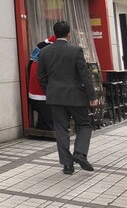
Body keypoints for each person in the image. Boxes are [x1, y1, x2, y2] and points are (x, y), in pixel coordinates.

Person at [38, 21, 98, 175]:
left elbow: (41, 76)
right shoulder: (76, 50)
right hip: (76, 96)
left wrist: (49, 91)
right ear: (69, 33)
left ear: (55, 33)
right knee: (84, 124)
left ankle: (67, 165)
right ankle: (80, 153)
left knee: (61, 129)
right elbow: (85, 75)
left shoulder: (44, 52)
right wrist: (92, 95)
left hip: (55, 97)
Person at [27, 35, 56, 130]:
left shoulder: (40, 46)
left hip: (34, 90)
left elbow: (30, 65)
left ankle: (41, 128)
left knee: (43, 118)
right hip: (43, 92)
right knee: (50, 121)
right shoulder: (51, 50)